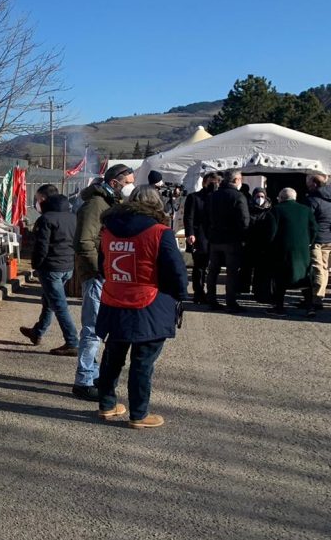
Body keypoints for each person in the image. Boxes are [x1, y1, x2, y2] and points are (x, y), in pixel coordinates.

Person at [95, 186, 188, 429]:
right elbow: (176, 270)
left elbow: (101, 264)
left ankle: (106, 404)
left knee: (112, 355)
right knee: (143, 360)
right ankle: (139, 413)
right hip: (149, 302)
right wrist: (180, 294)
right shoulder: (160, 232)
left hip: (114, 298)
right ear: (156, 205)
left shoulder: (107, 230)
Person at [71, 163, 135, 401]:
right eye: (128, 182)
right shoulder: (96, 204)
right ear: (115, 181)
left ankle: (94, 374)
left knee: (102, 328)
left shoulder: (111, 203)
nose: (130, 187)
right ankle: (84, 381)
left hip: (108, 275)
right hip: (97, 275)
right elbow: (84, 242)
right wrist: (99, 270)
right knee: (92, 329)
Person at [19, 184, 78, 355]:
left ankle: (72, 341)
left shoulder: (46, 219)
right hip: (67, 266)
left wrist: (36, 264)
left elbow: (41, 246)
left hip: (51, 268)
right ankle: (37, 332)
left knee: (59, 305)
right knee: (49, 301)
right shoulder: (72, 217)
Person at [267, 188, 318, 316]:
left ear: (281, 197)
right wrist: (308, 242)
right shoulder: (306, 210)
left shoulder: (276, 210)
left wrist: (269, 246)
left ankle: (279, 307)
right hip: (302, 250)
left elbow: (271, 232)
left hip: (282, 249)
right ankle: (310, 306)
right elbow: (314, 229)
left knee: (280, 277)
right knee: (304, 277)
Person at [205, 170, 250, 312]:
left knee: (213, 270)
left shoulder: (213, 196)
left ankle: (211, 299)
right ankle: (230, 302)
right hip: (232, 239)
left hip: (215, 238)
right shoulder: (238, 196)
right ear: (236, 180)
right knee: (231, 272)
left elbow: (206, 217)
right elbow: (244, 220)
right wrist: (244, 237)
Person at [183, 172, 219, 303]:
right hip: (200, 236)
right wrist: (190, 234)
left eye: (216, 183)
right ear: (204, 182)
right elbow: (189, 217)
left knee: (213, 267)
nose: (214, 185)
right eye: (211, 182)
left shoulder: (218, 198)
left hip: (215, 237)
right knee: (200, 266)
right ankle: (198, 292)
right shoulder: (194, 197)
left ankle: (211, 294)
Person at [239, 187, 272, 299]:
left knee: (260, 268)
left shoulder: (269, 210)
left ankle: (258, 289)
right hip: (249, 242)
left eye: (262, 196)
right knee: (246, 266)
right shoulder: (248, 208)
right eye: (257, 196)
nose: (260, 199)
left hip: (263, 243)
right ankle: (243, 287)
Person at [305, 174, 331, 315]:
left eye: (308, 182)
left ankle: (316, 299)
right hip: (329, 238)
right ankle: (319, 296)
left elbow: (308, 220)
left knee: (317, 269)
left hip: (317, 239)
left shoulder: (313, 200)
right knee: (325, 269)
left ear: (314, 184)